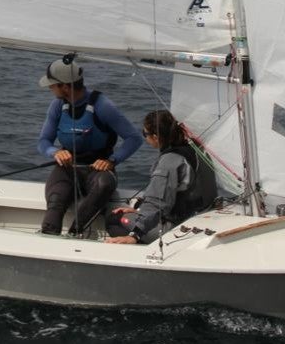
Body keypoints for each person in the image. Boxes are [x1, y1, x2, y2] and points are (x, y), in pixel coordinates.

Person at [36, 56, 142, 236]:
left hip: (98, 171)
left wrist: (111, 161)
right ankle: (48, 236)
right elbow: (43, 142)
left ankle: (75, 233)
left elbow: (134, 138)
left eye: (52, 85)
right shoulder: (57, 106)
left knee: (102, 186)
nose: (50, 88)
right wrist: (55, 152)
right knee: (56, 199)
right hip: (68, 169)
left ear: (65, 86)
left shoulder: (103, 106)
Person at [105, 109, 218, 245]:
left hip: (178, 227)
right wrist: (139, 210)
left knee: (114, 219)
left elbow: (156, 203)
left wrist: (134, 235)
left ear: (156, 137)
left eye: (145, 134)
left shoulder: (169, 161)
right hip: (200, 215)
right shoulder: (196, 150)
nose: (144, 137)